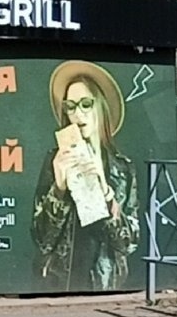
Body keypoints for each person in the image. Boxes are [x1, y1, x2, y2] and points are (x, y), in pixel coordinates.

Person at [32, 61, 140, 291]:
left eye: (86, 104)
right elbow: (41, 240)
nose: (77, 113)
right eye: (70, 106)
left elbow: (128, 243)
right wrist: (58, 190)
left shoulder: (122, 168)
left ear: (100, 106)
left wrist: (108, 195)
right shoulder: (55, 161)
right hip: (60, 282)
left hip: (106, 284)